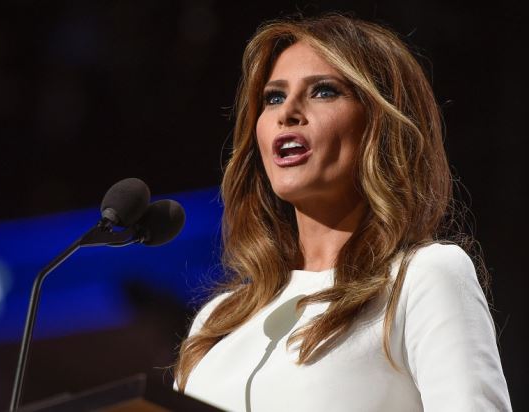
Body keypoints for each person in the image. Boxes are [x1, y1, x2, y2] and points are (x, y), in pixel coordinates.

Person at [174, 13, 512, 412]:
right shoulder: (217, 321)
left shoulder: (421, 278)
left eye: (323, 91)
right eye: (274, 97)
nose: (288, 112)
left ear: (378, 125)